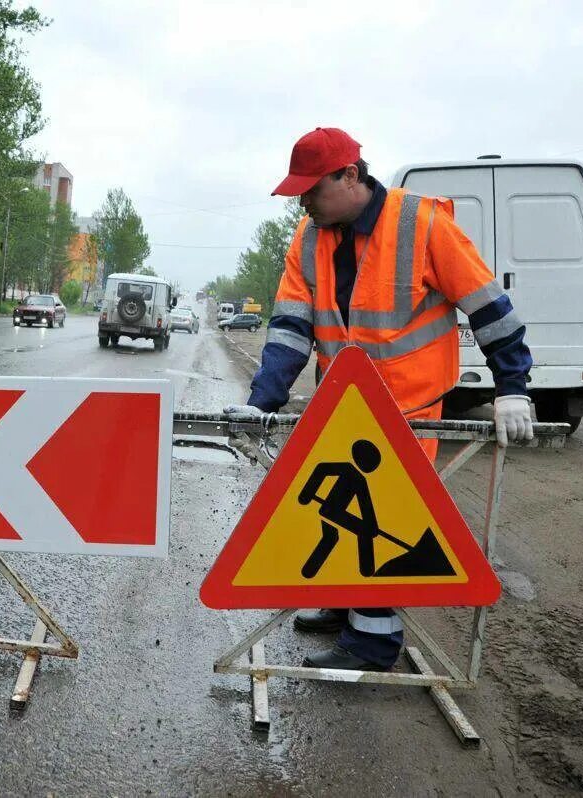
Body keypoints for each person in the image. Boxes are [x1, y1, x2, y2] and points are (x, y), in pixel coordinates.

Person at [224, 127, 534, 672]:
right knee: (340, 514)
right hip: (343, 411)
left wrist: (512, 388)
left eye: (312, 190)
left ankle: (372, 647)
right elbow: (291, 330)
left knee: (384, 523)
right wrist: (262, 403)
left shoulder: (424, 225)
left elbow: (488, 308)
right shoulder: (308, 237)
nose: (304, 202)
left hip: (410, 412)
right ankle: (345, 607)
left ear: (350, 176)